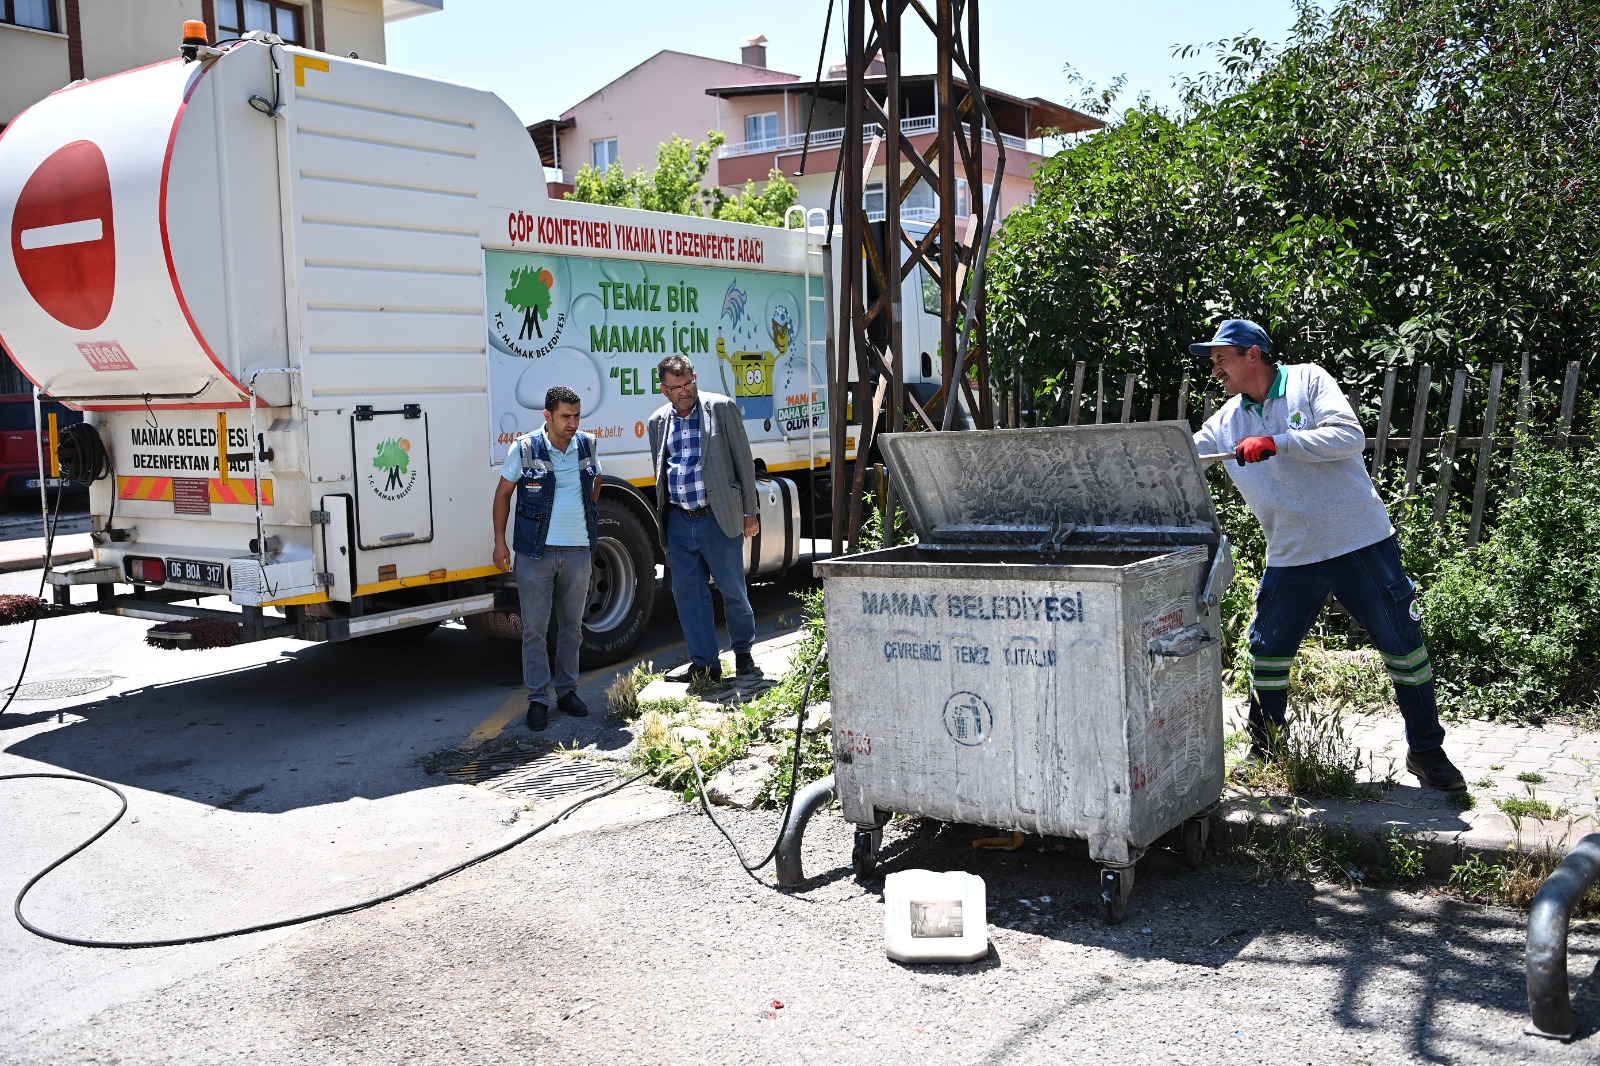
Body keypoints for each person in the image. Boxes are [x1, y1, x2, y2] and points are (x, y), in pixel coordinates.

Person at [1190, 319, 1465, 791]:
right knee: (1267, 653)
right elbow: (1185, 456)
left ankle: (1426, 751)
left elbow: (1348, 437)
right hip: (1291, 553)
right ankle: (1267, 751)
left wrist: (1279, 442)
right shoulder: (1226, 422)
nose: (1215, 370)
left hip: (1357, 542)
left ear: (1253, 354)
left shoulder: (1309, 380)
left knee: (1404, 646)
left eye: (1221, 358)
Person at [492, 385, 603, 732]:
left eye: (577, 416)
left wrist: (583, 517)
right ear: (547, 416)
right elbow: (502, 494)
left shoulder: (587, 444)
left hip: (577, 551)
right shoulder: (525, 448)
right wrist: (500, 542)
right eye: (565, 417)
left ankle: (567, 691)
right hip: (534, 553)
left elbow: (596, 481)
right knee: (535, 631)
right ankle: (538, 699)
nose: (573, 423)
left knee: (572, 628)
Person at [648, 354, 761, 685]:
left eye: (689, 383)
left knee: (732, 591)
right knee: (688, 595)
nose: (685, 391)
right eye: (677, 387)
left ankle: (744, 656)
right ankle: (705, 665)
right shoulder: (657, 422)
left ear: (695, 377)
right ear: (664, 389)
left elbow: (744, 461)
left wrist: (749, 512)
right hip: (679, 520)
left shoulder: (721, 408)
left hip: (718, 517)